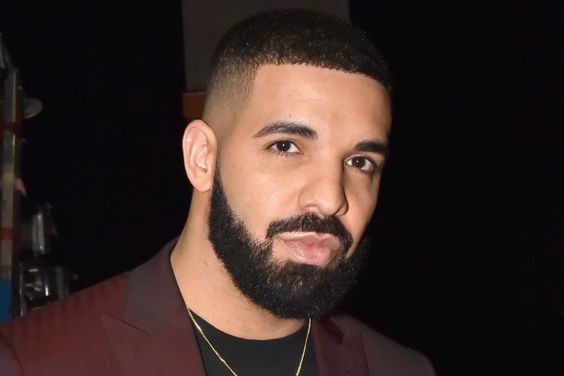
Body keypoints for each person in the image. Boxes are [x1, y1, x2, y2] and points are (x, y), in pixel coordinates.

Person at [0, 8, 435, 375]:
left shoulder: (398, 368)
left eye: (360, 162)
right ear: (202, 157)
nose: (331, 198)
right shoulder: (34, 359)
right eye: (286, 146)